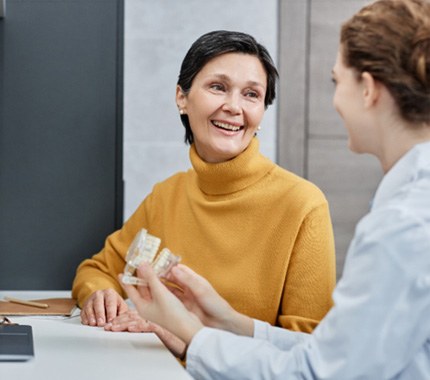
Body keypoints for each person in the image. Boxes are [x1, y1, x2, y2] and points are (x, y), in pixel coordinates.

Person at [121, 0, 430, 378]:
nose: (335, 101)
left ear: (367, 90)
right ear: (181, 97)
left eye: (336, 81)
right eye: (218, 87)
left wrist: (192, 335)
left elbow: (316, 373)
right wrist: (231, 321)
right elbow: (339, 354)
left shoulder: (404, 225)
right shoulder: (409, 210)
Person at [72, 30, 336, 350]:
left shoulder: (303, 204)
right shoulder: (166, 195)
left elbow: (309, 347)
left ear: (262, 111)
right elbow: (97, 269)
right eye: (218, 87)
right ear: (182, 97)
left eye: (251, 94)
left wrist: (186, 331)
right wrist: (101, 296)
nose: (233, 106)